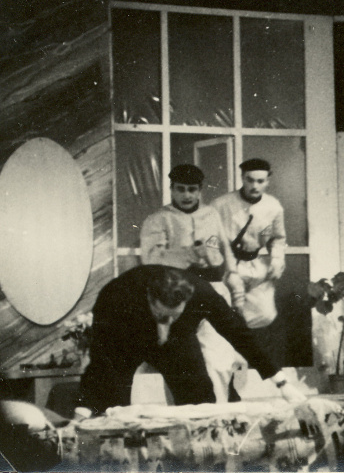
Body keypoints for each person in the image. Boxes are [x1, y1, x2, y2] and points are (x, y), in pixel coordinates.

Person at [76, 265, 306, 416]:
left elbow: (239, 334)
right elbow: (101, 358)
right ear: (149, 297)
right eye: (162, 315)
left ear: (187, 301)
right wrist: (85, 408)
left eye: (173, 315)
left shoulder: (203, 294)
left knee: (200, 401)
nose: (166, 322)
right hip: (130, 336)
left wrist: (282, 383)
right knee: (113, 408)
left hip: (179, 339)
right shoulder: (116, 296)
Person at [139, 164, 244, 403]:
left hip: (212, 289)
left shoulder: (211, 214)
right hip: (177, 296)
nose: (186, 195)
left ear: (200, 190)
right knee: (183, 364)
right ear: (171, 189)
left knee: (220, 356)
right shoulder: (158, 219)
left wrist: (232, 274)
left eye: (192, 189)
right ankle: (187, 415)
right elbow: (151, 259)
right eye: (181, 189)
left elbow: (224, 248)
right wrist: (188, 254)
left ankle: (219, 411)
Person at [212, 159, 286, 330]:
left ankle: (235, 333)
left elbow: (278, 238)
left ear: (267, 181)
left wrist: (277, 259)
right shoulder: (220, 205)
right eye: (250, 180)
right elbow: (209, 238)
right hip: (226, 267)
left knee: (265, 314)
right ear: (242, 178)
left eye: (260, 181)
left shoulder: (273, 206)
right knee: (221, 313)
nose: (254, 186)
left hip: (255, 267)